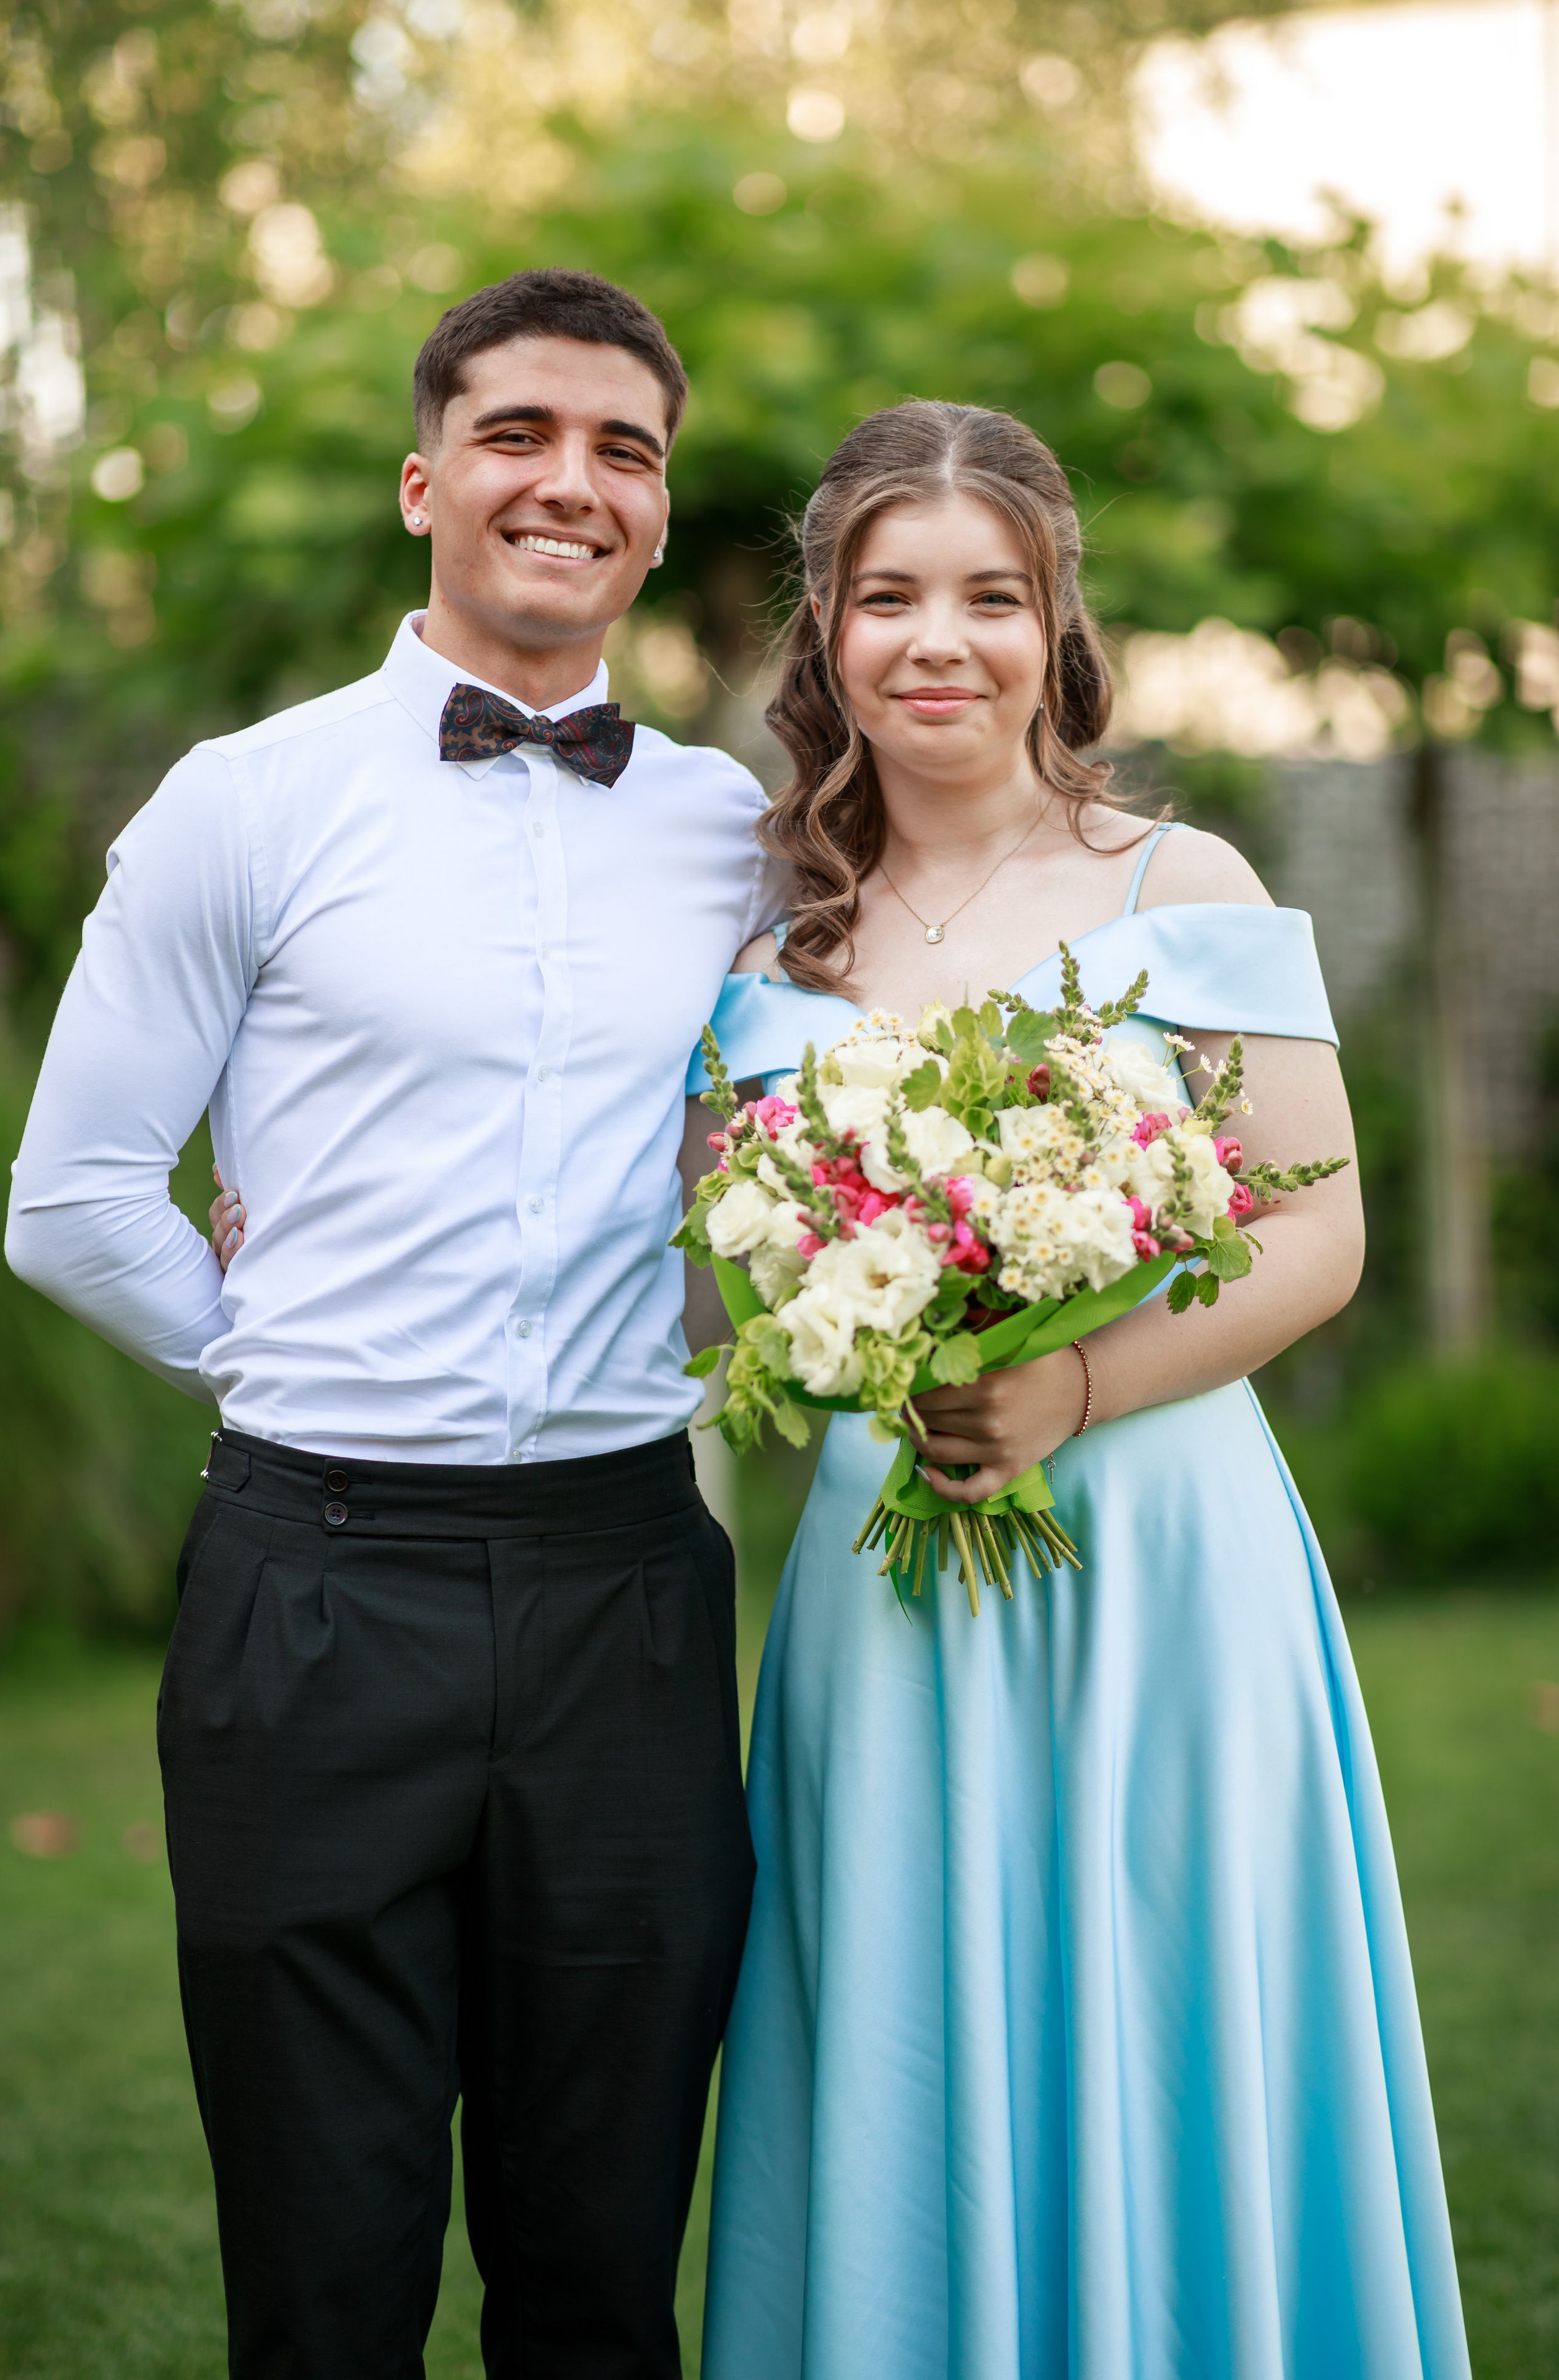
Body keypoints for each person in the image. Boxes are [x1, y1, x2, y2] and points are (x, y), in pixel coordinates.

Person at [6, 268, 783, 2380]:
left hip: (631, 1591)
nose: (573, 481)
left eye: (624, 448)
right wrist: (302, 1356)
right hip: (316, 1591)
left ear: (654, 507)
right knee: (327, 2281)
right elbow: (73, 1205)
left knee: (605, 2270)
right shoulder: (246, 801)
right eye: (523, 432)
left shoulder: (738, 835)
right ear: (427, 476)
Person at [692, 402, 1472, 2378]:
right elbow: (724, 1270)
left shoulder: (1174, 875)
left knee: (1169, 1989)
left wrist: (1073, 1392)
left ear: (1058, 628)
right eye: (889, 597)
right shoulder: (772, 937)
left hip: (1164, 1557)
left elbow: (1318, 1238)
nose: (936, 641)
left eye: (989, 597)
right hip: (888, 1577)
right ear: (826, 634)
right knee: (907, 2016)